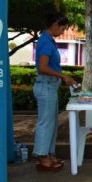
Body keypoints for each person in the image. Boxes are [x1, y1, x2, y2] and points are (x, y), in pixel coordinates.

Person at [33, 13, 77, 171]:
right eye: (63, 28)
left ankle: (48, 153)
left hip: (50, 86)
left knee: (52, 122)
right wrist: (63, 76)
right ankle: (42, 155)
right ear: (55, 24)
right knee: (46, 122)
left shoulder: (48, 40)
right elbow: (42, 68)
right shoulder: (45, 41)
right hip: (46, 86)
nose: (63, 32)